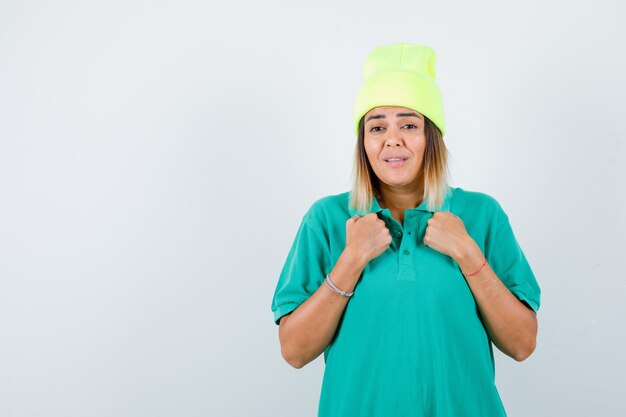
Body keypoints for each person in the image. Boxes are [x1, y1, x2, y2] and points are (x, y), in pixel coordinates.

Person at [270, 43, 541, 417]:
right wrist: (351, 260)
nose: (392, 139)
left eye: (409, 125)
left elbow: (522, 344)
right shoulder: (326, 219)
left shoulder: (481, 214)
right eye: (377, 126)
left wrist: (467, 252)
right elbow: (295, 352)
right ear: (363, 143)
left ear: (432, 137)